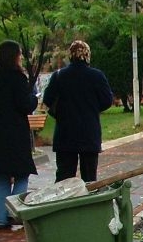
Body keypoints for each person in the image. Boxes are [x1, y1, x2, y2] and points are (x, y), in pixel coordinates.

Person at [0, 40, 38, 231]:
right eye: (19, 54)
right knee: (22, 174)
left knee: (0, 177)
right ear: (14, 56)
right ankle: (15, 212)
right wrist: (33, 99)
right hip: (15, 134)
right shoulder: (17, 78)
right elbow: (26, 105)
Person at [42, 40, 113, 182]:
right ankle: (87, 203)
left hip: (65, 134)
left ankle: (65, 204)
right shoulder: (97, 76)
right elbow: (107, 100)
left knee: (64, 178)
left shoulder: (59, 76)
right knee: (89, 178)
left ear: (71, 55)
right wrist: (93, 108)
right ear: (87, 55)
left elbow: (48, 99)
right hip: (89, 133)